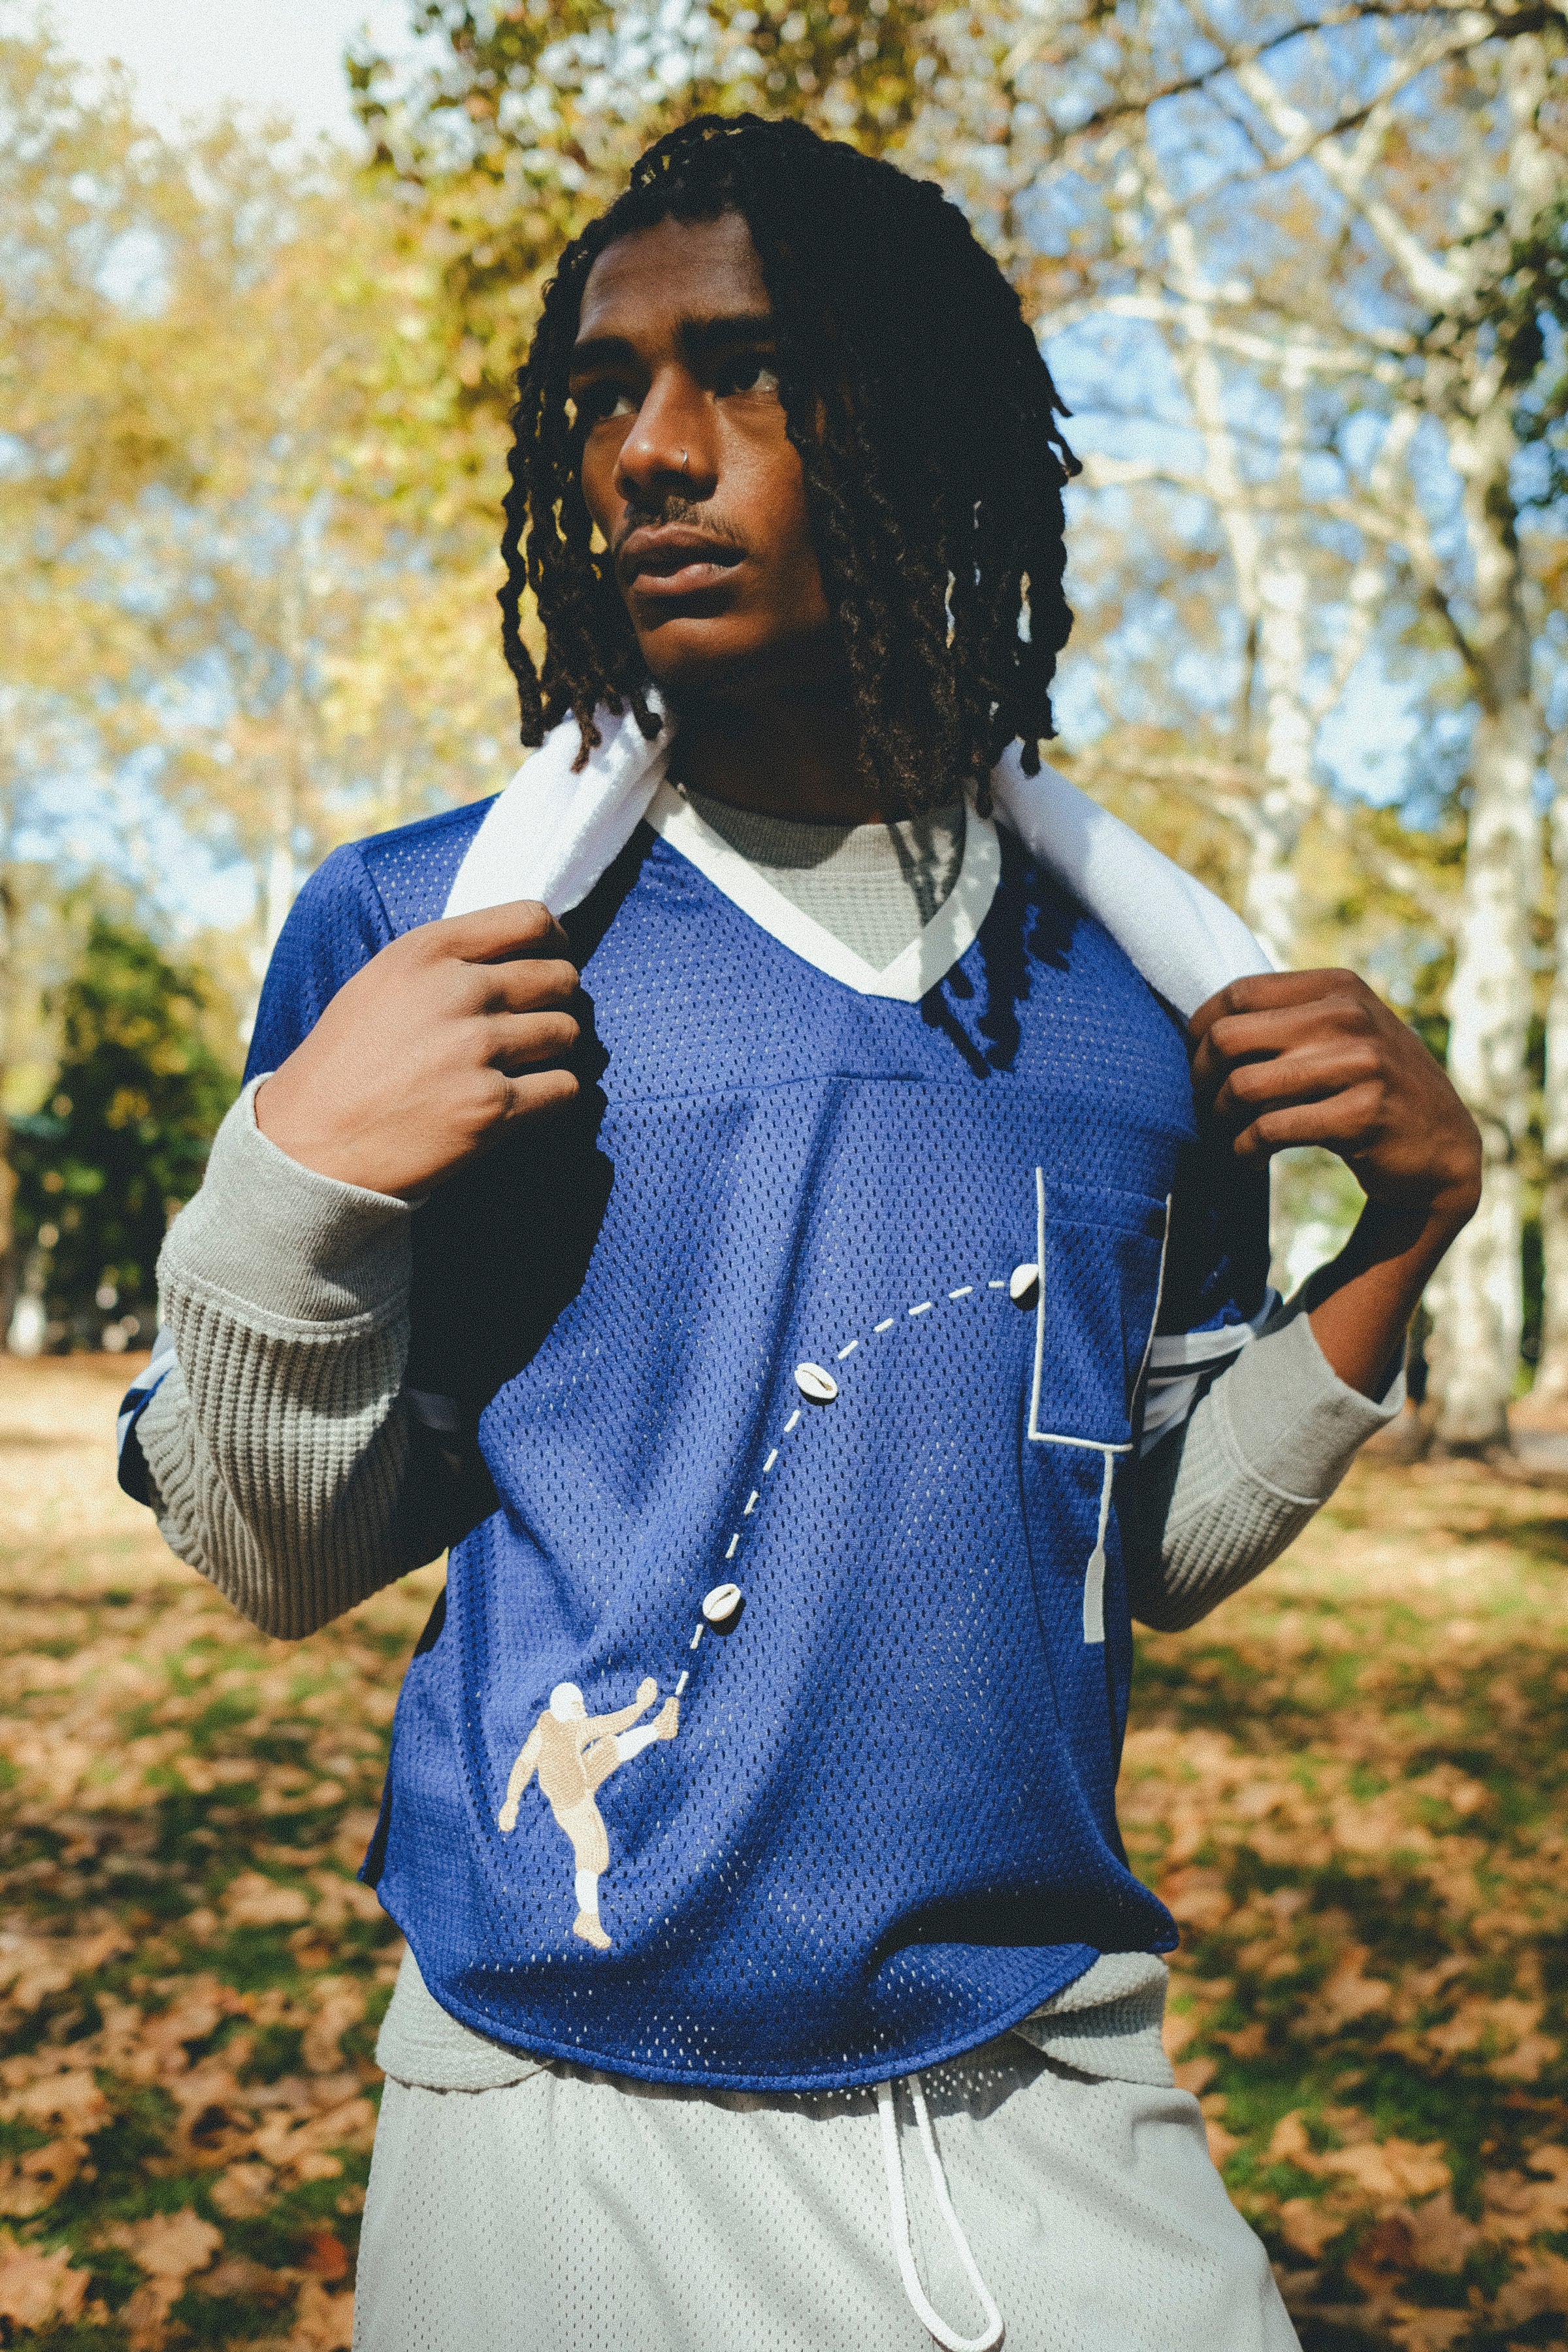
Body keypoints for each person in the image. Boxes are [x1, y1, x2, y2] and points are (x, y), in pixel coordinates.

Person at [119, 114, 1479, 2352]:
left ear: (925, 424)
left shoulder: (1142, 995)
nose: (648, 453)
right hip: (557, 2110)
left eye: (744, 370)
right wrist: (300, 1173)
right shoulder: (435, 937)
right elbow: (274, 1555)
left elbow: (1130, 1548)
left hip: (1046, 2091)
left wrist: (1406, 1234)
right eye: (600, 394)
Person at [498, 1678, 681, 1950]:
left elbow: (609, 1725)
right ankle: (588, 1919)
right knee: (593, 1855)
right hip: (572, 1805)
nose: (582, 1709)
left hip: (580, 1778)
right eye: (577, 1706)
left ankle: (658, 1728)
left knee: (609, 1749)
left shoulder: (560, 1727)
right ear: (563, 1708)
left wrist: (641, 1706)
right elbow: (524, 1764)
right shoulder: (553, 1731)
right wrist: (511, 1802)